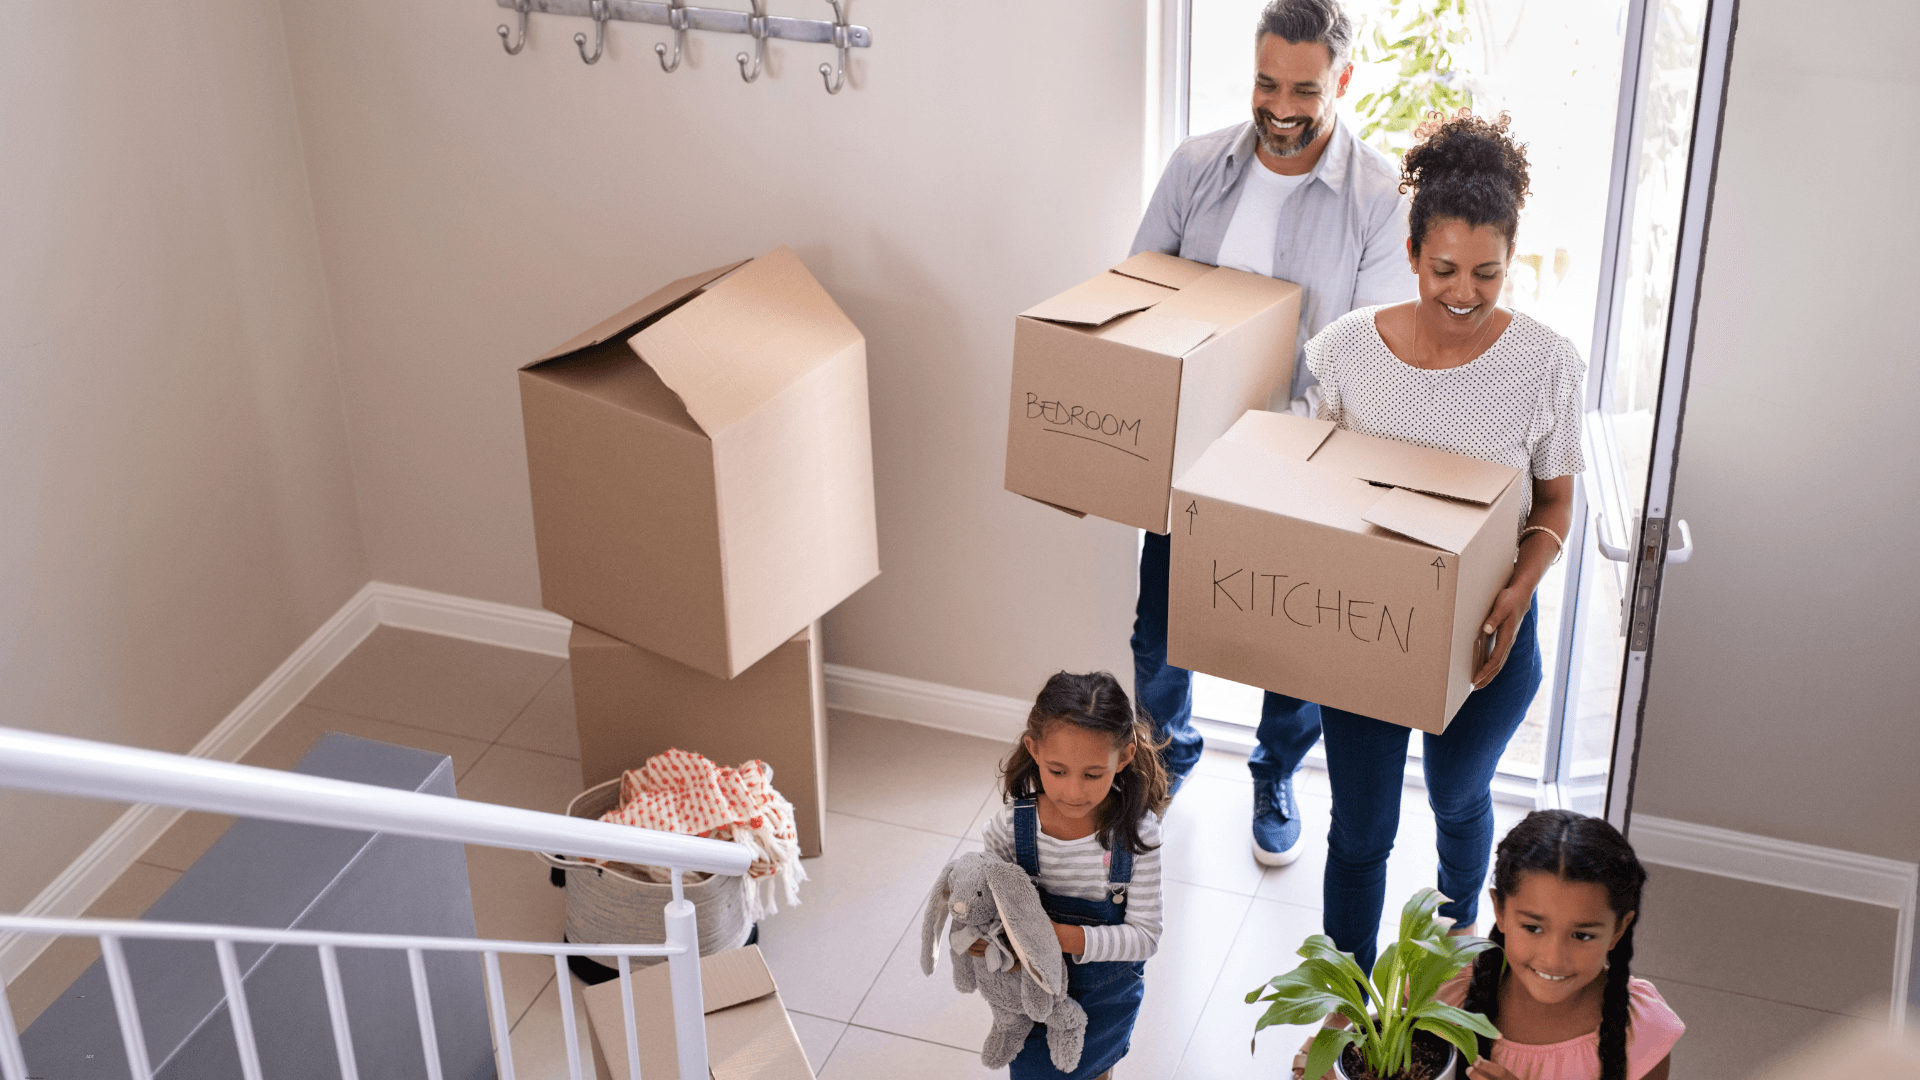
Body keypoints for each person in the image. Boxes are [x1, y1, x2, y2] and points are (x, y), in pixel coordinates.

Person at [1129, 0, 1415, 867]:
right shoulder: (1195, 168)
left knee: (1291, 646)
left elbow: (1364, 356)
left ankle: (1273, 769)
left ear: (1344, 81)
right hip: (1188, 454)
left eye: (1304, 87)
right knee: (1158, 629)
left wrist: (1277, 443)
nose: (1280, 106)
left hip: (1300, 462)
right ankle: (1164, 756)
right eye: (1265, 82)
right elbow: (1138, 295)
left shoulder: (1376, 196)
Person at [1305, 109, 1584, 973]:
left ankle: (1460, 938)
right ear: (1414, 250)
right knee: (1361, 830)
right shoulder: (1346, 351)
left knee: (1461, 796)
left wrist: (1518, 589)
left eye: (1488, 273)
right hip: (1367, 630)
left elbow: (1556, 504)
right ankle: (1343, 1002)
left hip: (1490, 632)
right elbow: (1310, 485)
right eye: (1444, 269)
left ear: (1511, 261)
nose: (1463, 292)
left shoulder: (1547, 364)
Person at [973, 671, 1171, 1080]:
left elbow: (1146, 937)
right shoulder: (1010, 828)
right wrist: (984, 935)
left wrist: (1061, 937)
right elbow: (983, 896)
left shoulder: (1137, 836)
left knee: (1095, 1071)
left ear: (1125, 757)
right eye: (1057, 771)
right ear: (1034, 750)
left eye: (1092, 774)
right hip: (1030, 996)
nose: (1074, 792)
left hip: (1105, 1000)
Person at [1451, 810, 1683, 1080]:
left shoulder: (1644, 1033)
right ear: (1499, 910)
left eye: (1582, 936)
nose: (1553, 958)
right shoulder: (1438, 993)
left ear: (1619, 929)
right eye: (1533, 928)